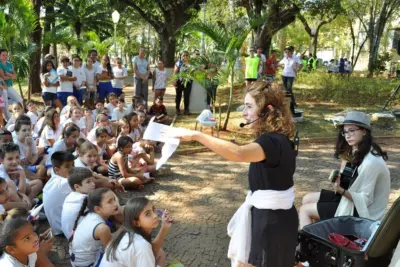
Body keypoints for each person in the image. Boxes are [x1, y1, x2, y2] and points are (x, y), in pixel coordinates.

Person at [165, 81, 298, 267]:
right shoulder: (277, 139)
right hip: (275, 218)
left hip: (270, 223)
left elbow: (239, 153)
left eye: (249, 106)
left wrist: (198, 135)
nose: (244, 112)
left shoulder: (272, 141)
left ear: (267, 110)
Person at [298, 111, 391, 228]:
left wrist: (340, 190)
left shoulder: (371, 162)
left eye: (352, 130)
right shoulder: (358, 150)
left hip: (363, 213)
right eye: (345, 131)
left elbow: (365, 200)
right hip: (350, 201)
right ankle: (321, 238)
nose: (347, 135)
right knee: (307, 198)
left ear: (364, 131)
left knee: (305, 210)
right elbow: (348, 179)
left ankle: (309, 244)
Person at [100, 197, 172, 267]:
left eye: (153, 210)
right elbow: (144, 249)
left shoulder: (126, 232)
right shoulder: (141, 245)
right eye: (147, 214)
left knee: (160, 253)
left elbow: (153, 250)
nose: (155, 216)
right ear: (136, 223)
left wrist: (164, 227)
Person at [69, 188, 120, 267]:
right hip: (89, 264)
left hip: (76, 260)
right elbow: (111, 252)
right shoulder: (102, 228)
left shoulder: (89, 214)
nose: (115, 204)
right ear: (98, 209)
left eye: (114, 199)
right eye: (110, 202)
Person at [43, 151, 74, 235]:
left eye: (73, 165)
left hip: (56, 227)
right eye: (67, 166)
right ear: (57, 170)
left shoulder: (53, 179)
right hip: (65, 230)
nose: (72, 169)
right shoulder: (66, 183)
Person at [61, 167, 96, 239]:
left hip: (70, 236)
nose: (93, 184)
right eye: (88, 182)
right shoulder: (85, 200)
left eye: (93, 180)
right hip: (81, 240)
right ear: (77, 186)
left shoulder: (70, 196)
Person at [0, 49, 23, 119]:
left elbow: (15, 76)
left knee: (20, 100)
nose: (5, 56)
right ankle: (8, 121)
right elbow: (3, 77)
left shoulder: (10, 64)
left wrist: (9, 74)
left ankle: (19, 116)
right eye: (3, 55)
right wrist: (11, 76)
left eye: (6, 55)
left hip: (9, 86)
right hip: (2, 87)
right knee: (5, 105)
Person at [174, 51, 193, 115]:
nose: (185, 56)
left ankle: (186, 109)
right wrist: (175, 81)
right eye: (184, 55)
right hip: (179, 82)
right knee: (178, 96)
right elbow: (175, 72)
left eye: (186, 55)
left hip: (188, 83)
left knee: (186, 96)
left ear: (189, 56)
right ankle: (177, 109)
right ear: (182, 56)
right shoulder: (179, 63)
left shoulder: (191, 64)